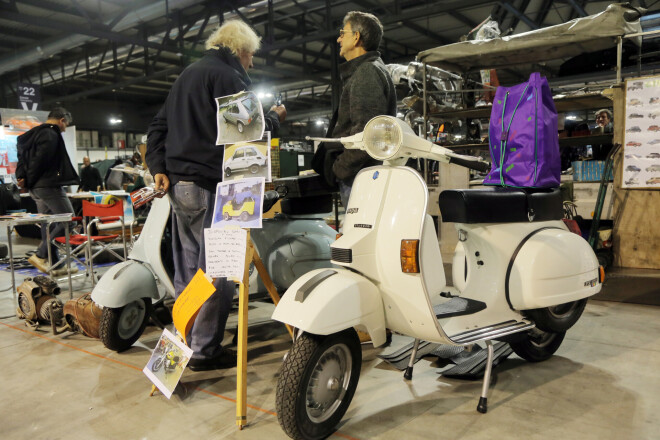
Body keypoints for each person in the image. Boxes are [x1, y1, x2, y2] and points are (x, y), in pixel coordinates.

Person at [146, 19, 286, 372]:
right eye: (251, 56)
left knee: (191, 274)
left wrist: (157, 166)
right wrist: (275, 118)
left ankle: (183, 348)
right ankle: (205, 351)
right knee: (219, 271)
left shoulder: (186, 76)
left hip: (180, 189)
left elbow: (158, 126)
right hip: (215, 187)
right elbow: (250, 130)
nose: (251, 64)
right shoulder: (227, 76)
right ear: (241, 50)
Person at [331, 11, 397, 207]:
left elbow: (369, 135)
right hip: (366, 174)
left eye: (343, 33)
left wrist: (340, 168)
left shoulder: (366, 72)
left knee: (360, 234)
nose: (338, 39)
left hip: (361, 177)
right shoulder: (371, 69)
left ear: (357, 37)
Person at [15, 107, 80, 275]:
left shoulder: (33, 134)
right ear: (62, 120)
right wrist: (30, 178)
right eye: (66, 125)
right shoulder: (51, 134)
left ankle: (54, 263)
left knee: (48, 224)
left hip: (35, 189)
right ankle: (41, 254)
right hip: (48, 186)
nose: (65, 129)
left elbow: (22, 158)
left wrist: (23, 178)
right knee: (69, 220)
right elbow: (40, 161)